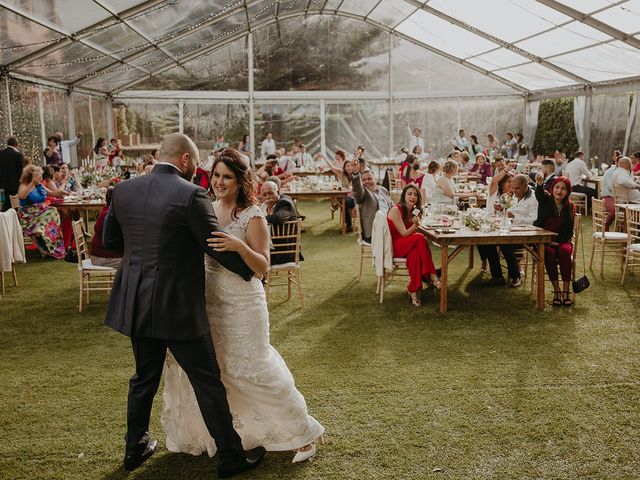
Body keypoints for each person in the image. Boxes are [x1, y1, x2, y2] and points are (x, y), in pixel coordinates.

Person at [102, 134, 266, 476]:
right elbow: (214, 244)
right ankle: (230, 456)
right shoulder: (190, 194)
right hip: (177, 307)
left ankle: (134, 449)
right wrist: (249, 272)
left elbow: (111, 242)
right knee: (206, 380)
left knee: (144, 377)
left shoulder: (124, 190)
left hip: (137, 303)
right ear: (186, 161)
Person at [162, 148, 324, 463]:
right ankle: (243, 432)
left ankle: (304, 432)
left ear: (240, 181)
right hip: (210, 301)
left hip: (244, 303)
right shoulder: (206, 207)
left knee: (254, 369)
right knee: (219, 371)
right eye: (217, 175)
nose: (220, 182)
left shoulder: (253, 215)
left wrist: (238, 245)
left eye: (227, 177)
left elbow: (263, 267)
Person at [387, 184, 440, 307]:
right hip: (396, 245)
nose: (413, 197)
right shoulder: (396, 210)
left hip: (408, 244)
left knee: (415, 254)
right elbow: (404, 233)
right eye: (409, 194)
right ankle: (432, 275)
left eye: (415, 195)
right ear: (403, 196)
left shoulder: (415, 210)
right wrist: (415, 226)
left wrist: (418, 223)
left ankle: (413, 290)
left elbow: (416, 230)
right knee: (420, 238)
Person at [534, 174, 576, 306]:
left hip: (562, 240)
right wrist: (540, 184)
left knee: (565, 252)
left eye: (563, 188)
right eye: (557, 187)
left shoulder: (570, 206)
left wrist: (559, 242)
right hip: (544, 241)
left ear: (568, 192)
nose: (559, 191)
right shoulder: (546, 200)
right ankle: (557, 290)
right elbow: (539, 194)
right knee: (549, 253)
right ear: (552, 188)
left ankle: (566, 291)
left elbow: (569, 230)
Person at [16, 166, 65, 259]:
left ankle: (51, 244)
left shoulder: (39, 185)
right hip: (27, 214)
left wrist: (62, 190)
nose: (39, 177)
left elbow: (53, 193)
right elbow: (22, 196)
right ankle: (40, 231)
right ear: (30, 176)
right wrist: (32, 184)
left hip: (39, 211)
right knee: (50, 212)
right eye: (37, 175)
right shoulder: (24, 185)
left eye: (40, 175)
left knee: (53, 211)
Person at [351, 164, 392, 244]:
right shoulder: (364, 193)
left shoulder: (383, 190)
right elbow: (357, 190)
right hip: (374, 232)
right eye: (364, 180)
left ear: (375, 179)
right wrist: (356, 174)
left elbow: (391, 205)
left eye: (369, 179)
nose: (366, 181)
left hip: (389, 226)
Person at [0, 136, 24, 212]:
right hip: (14, 185)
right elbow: (21, 172)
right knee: (14, 205)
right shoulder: (18, 155)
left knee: (6, 203)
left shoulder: (1, 153)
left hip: (2, 184)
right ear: (17, 144)